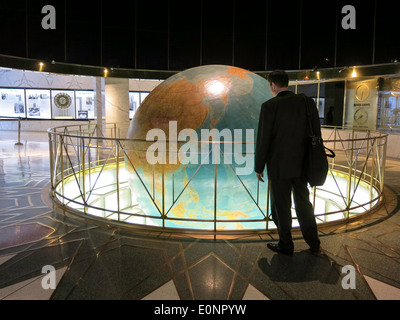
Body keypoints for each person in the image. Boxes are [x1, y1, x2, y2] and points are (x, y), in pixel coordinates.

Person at [255, 70, 321, 256]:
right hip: (303, 165)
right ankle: (313, 242)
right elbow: (316, 132)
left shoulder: (269, 106)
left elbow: (263, 139)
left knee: (281, 207)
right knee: (303, 204)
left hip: (278, 167)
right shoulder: (307, 103)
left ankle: (286, 244)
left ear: (273, 85)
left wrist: (258, 166)